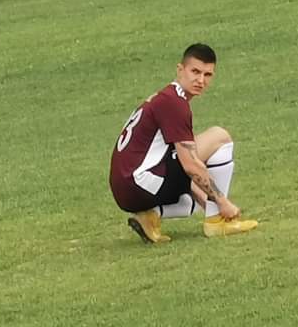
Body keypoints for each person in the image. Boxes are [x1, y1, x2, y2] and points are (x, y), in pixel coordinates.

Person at [108, 43, 260, 243]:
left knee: (191, 200)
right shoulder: (174, 103)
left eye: (207, 75)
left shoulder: (164, 97)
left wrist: (209, 202)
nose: (201, 80)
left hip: (127, 189)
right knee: (220, 137)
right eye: (195, 72)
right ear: (180, 70)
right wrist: (223, 203)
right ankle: (216, 223)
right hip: (140, 183)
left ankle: (150, 216)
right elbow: (190, 165)